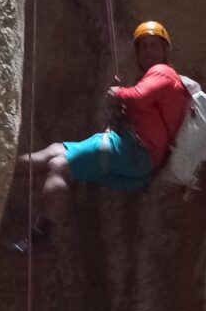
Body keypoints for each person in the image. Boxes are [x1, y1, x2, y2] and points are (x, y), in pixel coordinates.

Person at [12, 20, 189, 250]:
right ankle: (4, 168)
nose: (147, 52)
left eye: (153, 46)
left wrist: (119, 93)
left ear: (166, 49)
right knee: (54, 151)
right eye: (142, 47)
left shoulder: (163, 72)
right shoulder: (157, 77)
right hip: (133, 155)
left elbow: (138, 96)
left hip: (133, 152)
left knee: (60, 164)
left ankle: (40, 235)